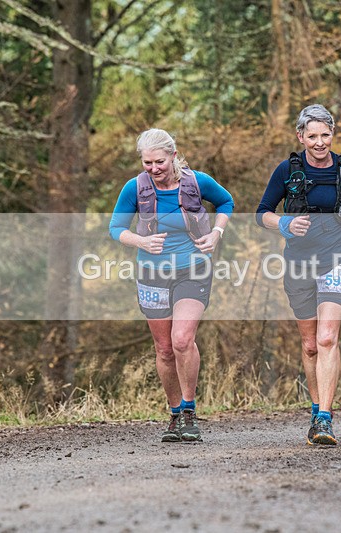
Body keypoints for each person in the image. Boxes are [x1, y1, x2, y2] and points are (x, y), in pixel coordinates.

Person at [256, 104, 341, 446]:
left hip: (338, 259)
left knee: (326, 339)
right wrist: (284, 224)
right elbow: (262, 213)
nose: (319, 142)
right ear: (300, 137)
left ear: (332, 134)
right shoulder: (286, 171)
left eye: (325, 135)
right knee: (309, 346)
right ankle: (315, 409)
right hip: (299, 264)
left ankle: (325, 417)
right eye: (312, 136)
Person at [109, 128, 234, 443]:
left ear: (173, 156)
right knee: (164, 349)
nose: (153, 168)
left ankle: (190, 411)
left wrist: (216, 233)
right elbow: (115, 228)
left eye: (159, 162)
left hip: (193, 269)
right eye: (147, 162)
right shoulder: (135, 187)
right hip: (152, 273)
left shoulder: (197, 182)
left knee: (181, 339)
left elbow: (226, 202)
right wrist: (141, 241)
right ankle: (175, 413)